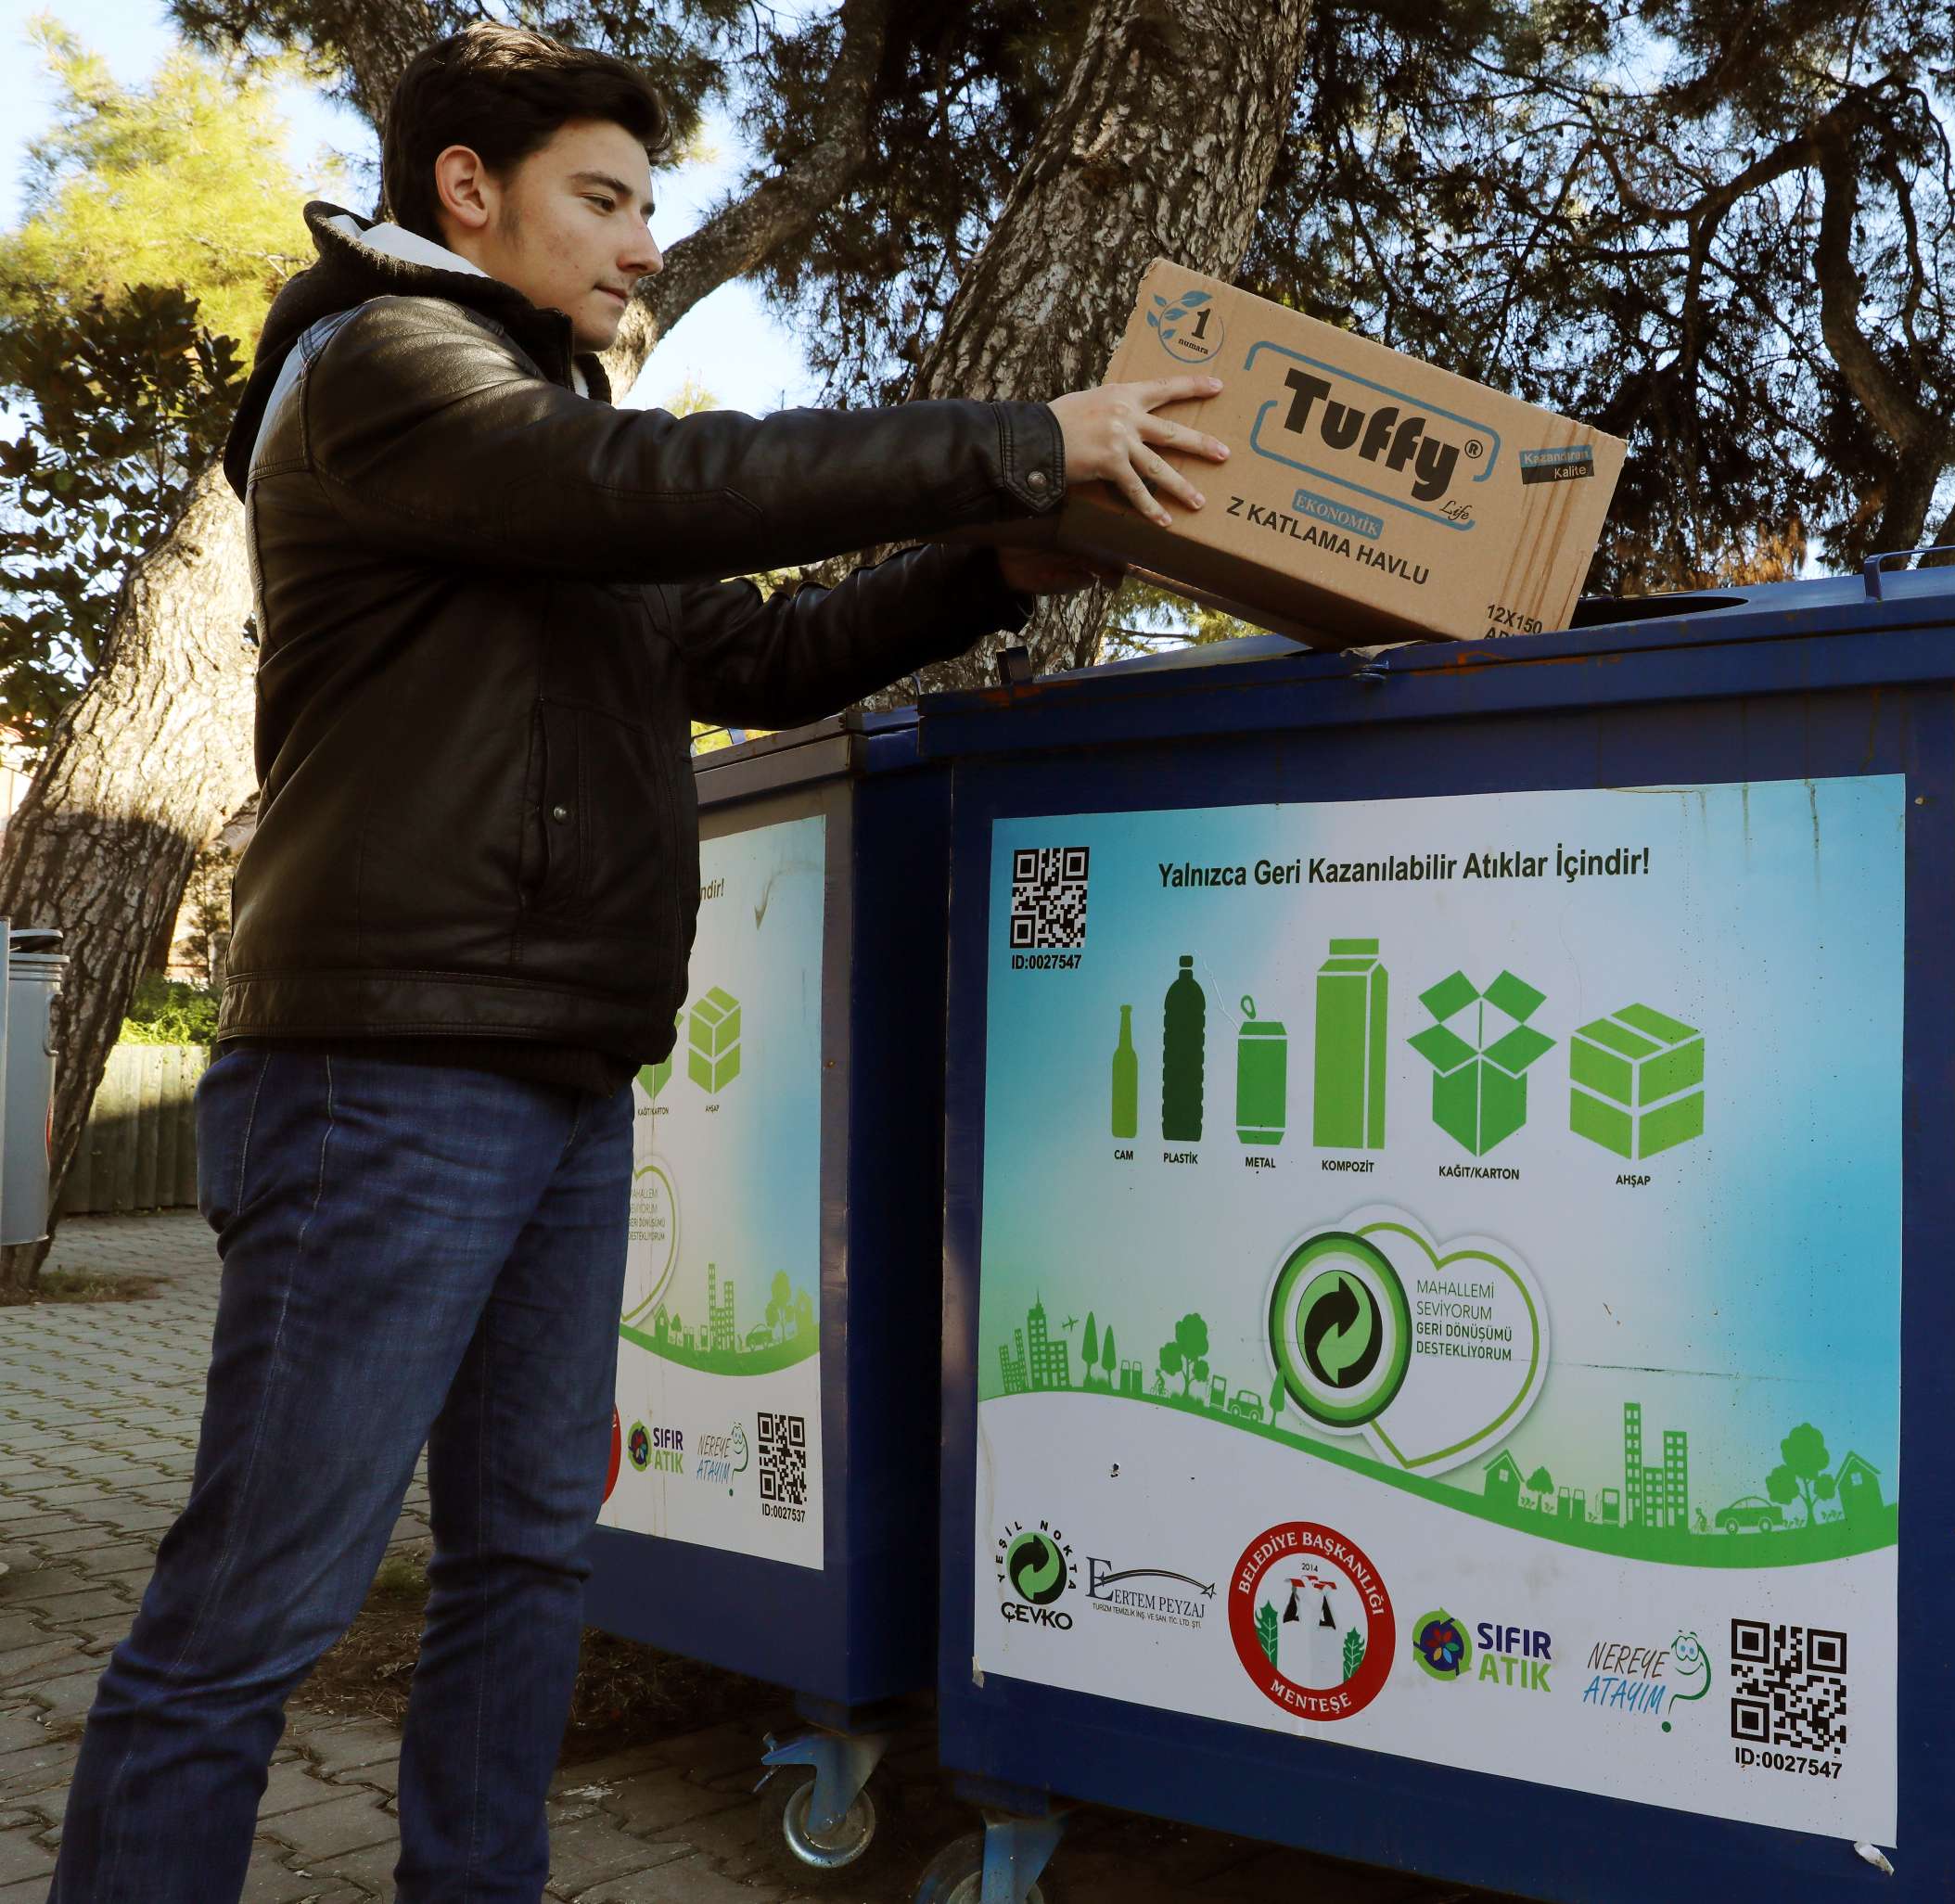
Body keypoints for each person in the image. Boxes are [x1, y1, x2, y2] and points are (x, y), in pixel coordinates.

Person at [46, 25, 1229, 1904]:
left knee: (527, 1562)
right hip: (387, 1069)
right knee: (258, 1601)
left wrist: (986, 568)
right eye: (602, 199)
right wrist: (1022, 436)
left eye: (648, 208)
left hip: (560, 1067)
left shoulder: (539, 450)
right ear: (467, 191)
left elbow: (753, 652)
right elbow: (655, 490)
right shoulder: (386, 371)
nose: (642, 244)